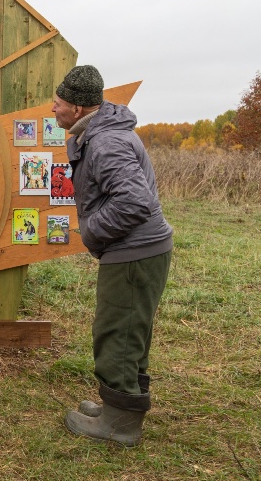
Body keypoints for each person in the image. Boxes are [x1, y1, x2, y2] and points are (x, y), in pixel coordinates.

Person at [52, 65, 173, 447]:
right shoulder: (100, 133)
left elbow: (135, 202)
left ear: (77, 107)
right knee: (128, 332)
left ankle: (119, 426)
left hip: (134, 253)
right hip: (136, 251)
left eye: (58, 103)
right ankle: (119, 406)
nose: (52, 109)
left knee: (117, 334)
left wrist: (92, 231)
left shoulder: (105, 143)